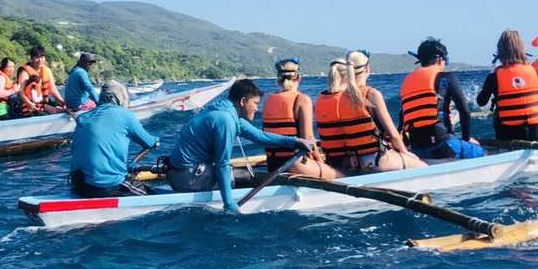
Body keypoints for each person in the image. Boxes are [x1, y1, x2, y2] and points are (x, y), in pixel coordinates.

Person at [166, 78, 313, 213]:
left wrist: (295, 141)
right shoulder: (225, 120)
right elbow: (222, 164)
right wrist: (229, 204)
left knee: (244, 175)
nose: (256, 109)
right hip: (186, 179)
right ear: (243, 101)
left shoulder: (227, 112)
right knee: (243, 176)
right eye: (255, 103)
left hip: (180, 174)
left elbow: (260, 136)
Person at [316, 52, 423, 174]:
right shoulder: (370, 94)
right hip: (373, 161)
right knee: (422, 166)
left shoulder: (330, 98)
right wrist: (406, 154)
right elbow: (393, 135)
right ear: (367, 68)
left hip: (344, 163)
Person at [69, 80, 159, 197]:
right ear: (120, 98)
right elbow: (150, 143)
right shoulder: (126, 115)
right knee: (152, 195)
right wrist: (156, 141)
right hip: (107, 186)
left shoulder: (83, 117)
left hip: (79, 186)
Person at [398, 38, 483, 160]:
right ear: (439, 59)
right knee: (481, 152)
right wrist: (466, 139)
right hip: (441, 145)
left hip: (417, 148)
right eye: (445, 60)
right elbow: (464, 111)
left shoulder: (407, 82)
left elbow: (403, 117)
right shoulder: (446, 77)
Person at [260, 58, 339, 179]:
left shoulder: (268, 100)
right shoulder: (302, 99)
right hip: (295, 164)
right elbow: (308, 138)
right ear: (298, 77)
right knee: (341, 175)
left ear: (278, 79)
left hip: (273, 164)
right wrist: (321, 162)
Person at [476, 30, 538, 143]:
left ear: (500, 52)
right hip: (537, 134)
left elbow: (481, 102)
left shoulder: (494, 77)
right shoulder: (535, 70)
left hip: (508, 135)